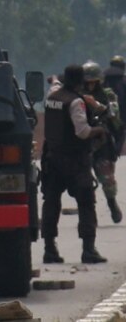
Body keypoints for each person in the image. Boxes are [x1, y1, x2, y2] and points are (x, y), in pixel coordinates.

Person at [41, 64, 108, 264]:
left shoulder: (52, 96)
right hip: (75, 161)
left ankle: (49, 249)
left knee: (51, 202)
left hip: (52, 159)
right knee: (86, 203)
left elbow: (53, 83)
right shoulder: (75, 102)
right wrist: (100, 130)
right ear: (80, 81)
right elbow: (82, 132)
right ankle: (88, 250)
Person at [84, 61, 123, 223]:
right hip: (83, 142)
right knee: (83, 182)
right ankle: (88, 212)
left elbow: (114, 116)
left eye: (94, 81)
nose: (91, 85)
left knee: (107, 179)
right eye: (88, 82)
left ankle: (112, 203)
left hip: (102, 142)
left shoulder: (108, 94)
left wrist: (97, 106)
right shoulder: (77, 94)